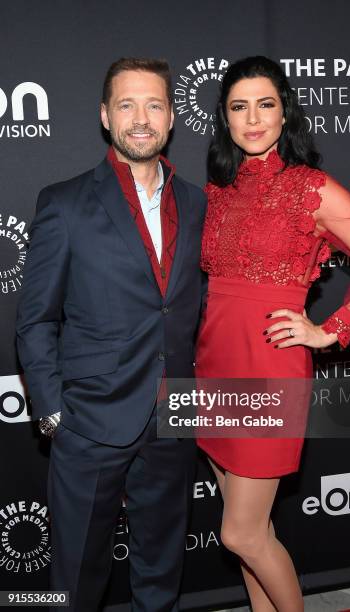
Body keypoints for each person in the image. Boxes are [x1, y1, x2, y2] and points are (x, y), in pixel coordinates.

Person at [195, 56, 350, 611]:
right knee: (251, 535)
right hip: (213, 366)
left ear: (285, 111)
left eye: (265, 104)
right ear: (225, 118)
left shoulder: (311, 189)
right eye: (239, 107)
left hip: (268, 365)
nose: (253, 119)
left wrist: (331, 329)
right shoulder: (220, 189)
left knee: (240, 533)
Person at [16, 57, 207, 612]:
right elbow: (35, 318)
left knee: (161, 568)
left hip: (175, 415)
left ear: (172, 118)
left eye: (154, 104)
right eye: (127, 104)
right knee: (75, 575)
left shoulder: (196, 204)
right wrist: (52, 410)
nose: (140, 118)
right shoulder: (65, 202)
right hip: (90, 419)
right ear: (105, 116)